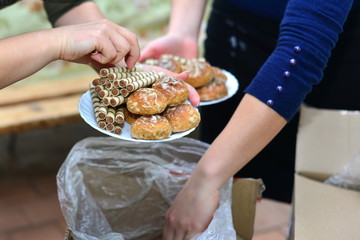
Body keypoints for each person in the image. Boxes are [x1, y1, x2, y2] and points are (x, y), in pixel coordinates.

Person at [140, 0, 359, 239]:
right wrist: (183, 31)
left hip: (335, 39)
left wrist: (203, 182)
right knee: (234, 188)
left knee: (316, 201)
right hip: (237, 27)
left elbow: (301, 51)